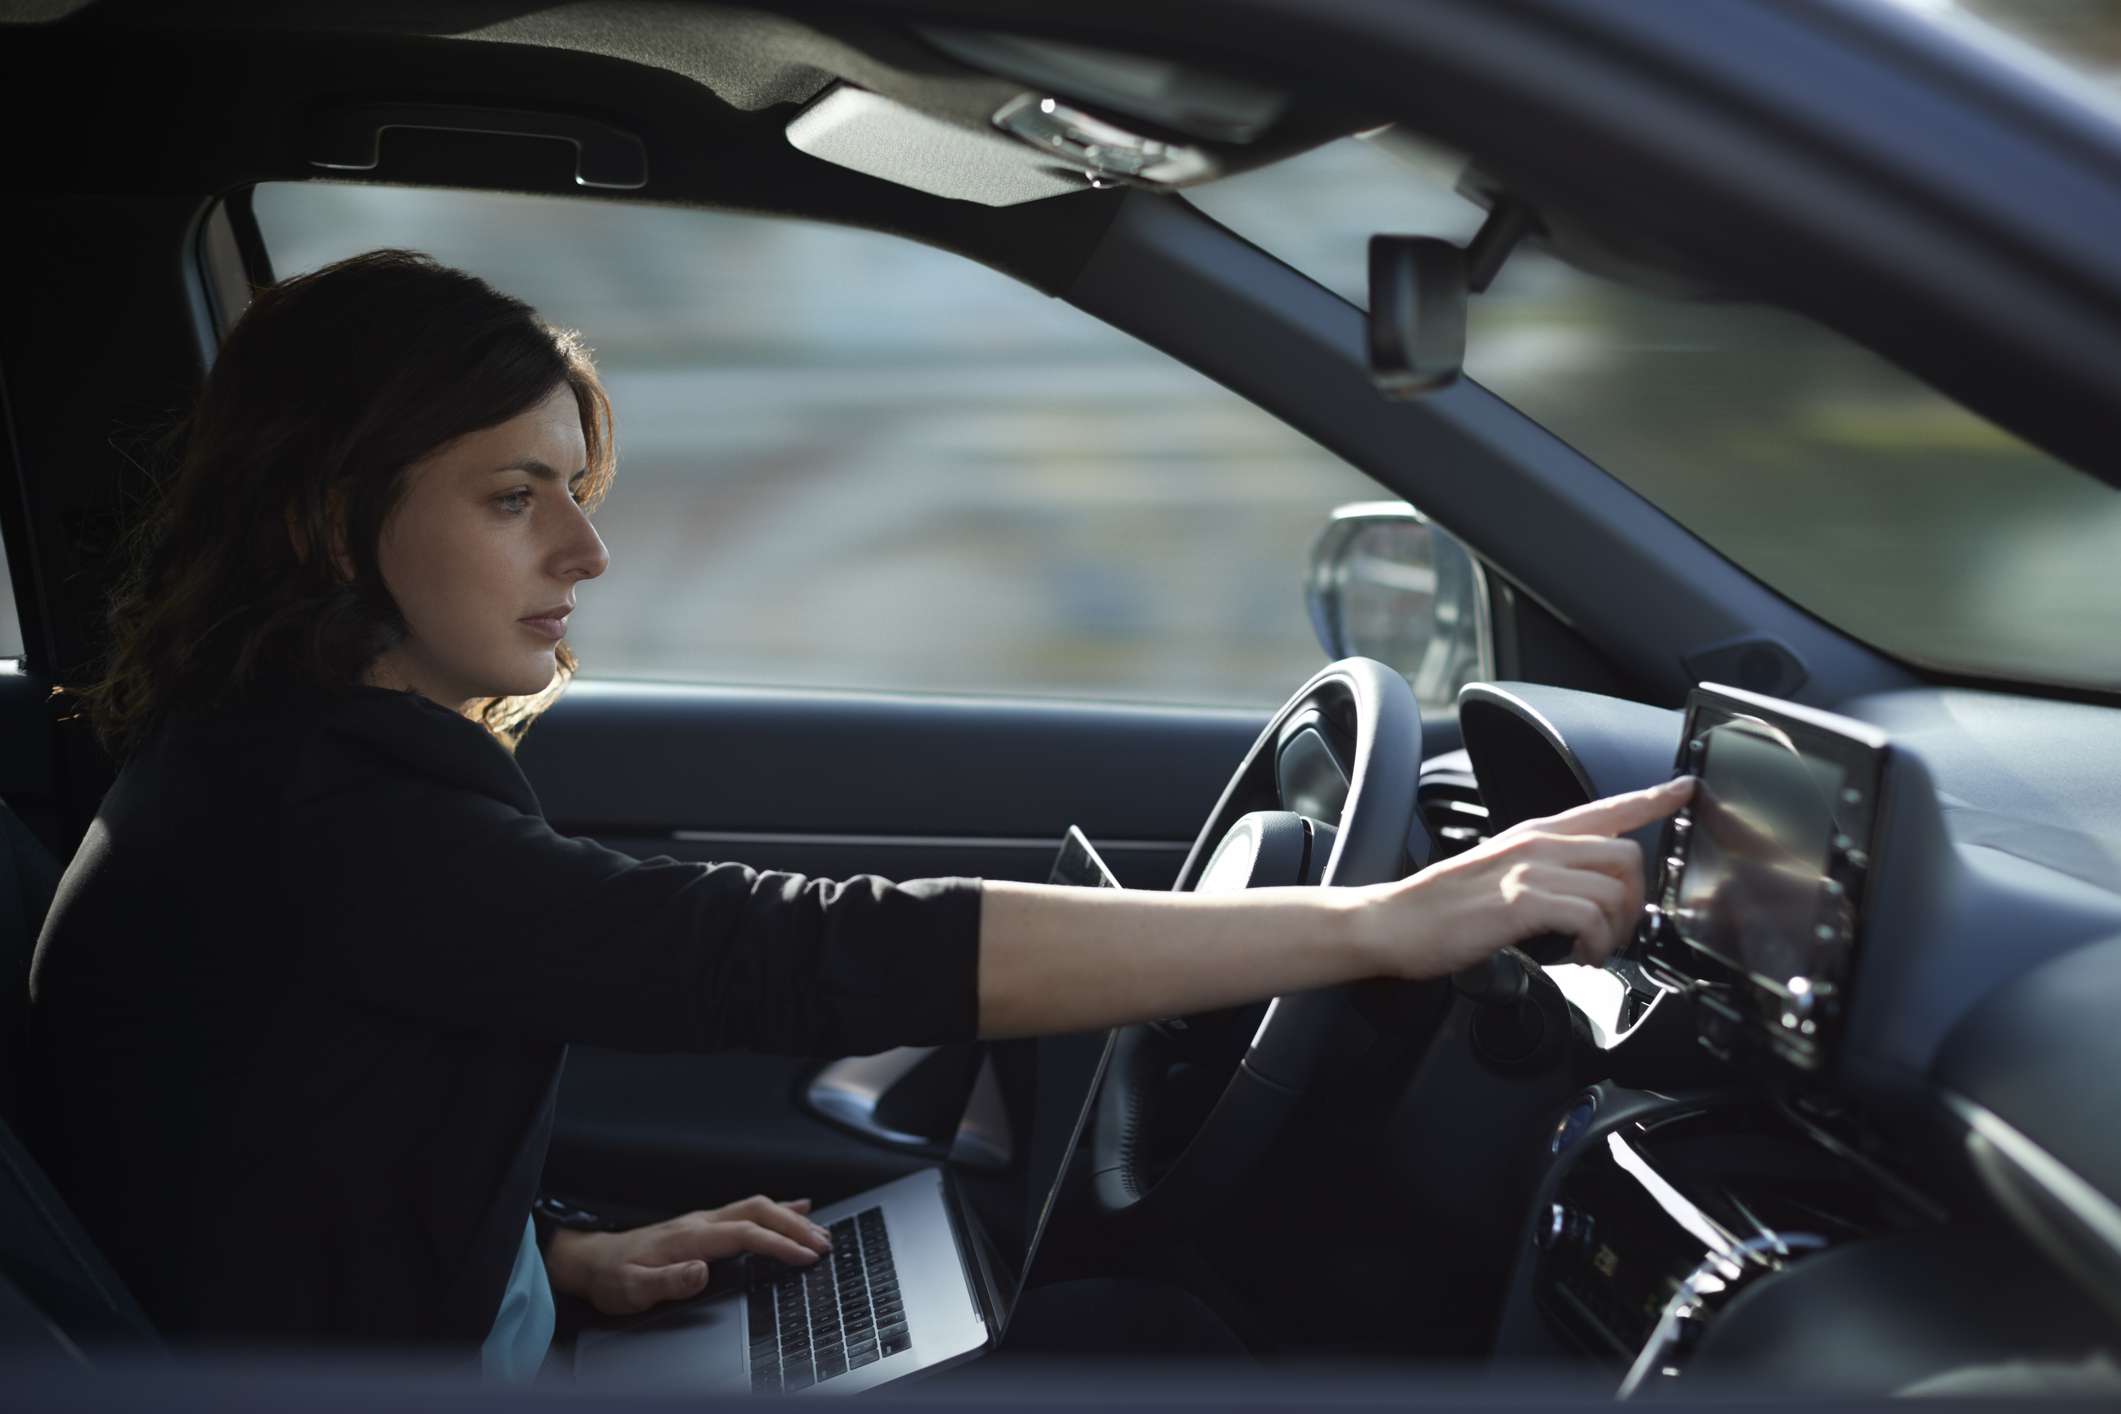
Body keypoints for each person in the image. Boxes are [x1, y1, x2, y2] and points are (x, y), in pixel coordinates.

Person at [22, 250, 1688, 1376]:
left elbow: (280, 1151)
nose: (584, 556)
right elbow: (771, 954)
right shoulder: (324, 817)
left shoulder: (295, 765)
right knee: (1151, 1343)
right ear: (329, 522)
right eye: (512, 499)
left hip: (456, 1340)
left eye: (572, 496)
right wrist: (1380, 919)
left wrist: (554, 1257)